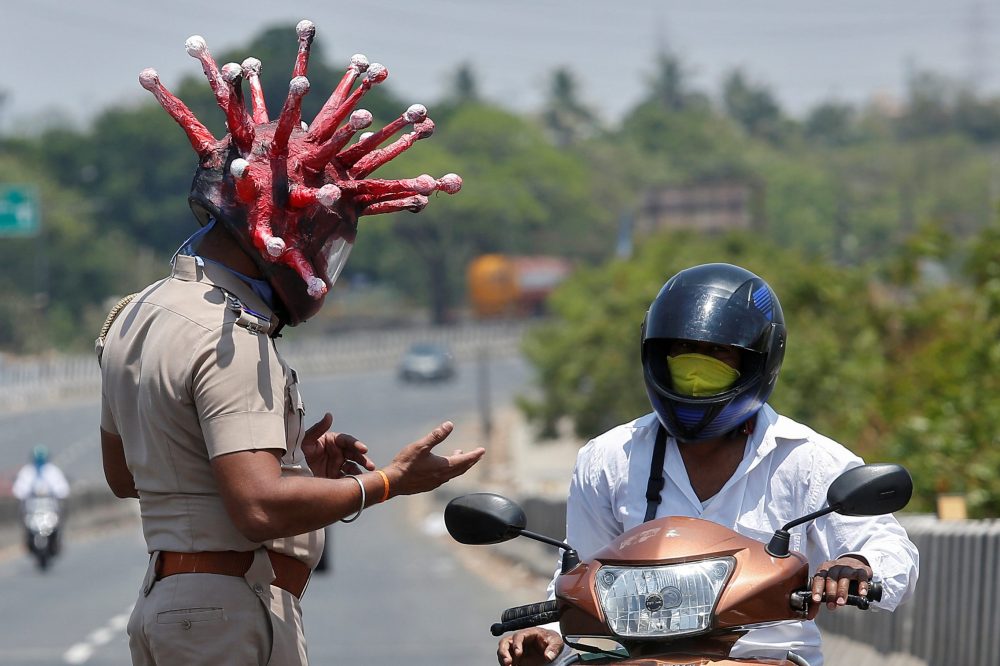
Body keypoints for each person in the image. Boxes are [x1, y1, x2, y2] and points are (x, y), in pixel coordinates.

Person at [96, 21, 481, 666]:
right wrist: (388, 482)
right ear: (279, 228)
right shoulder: (231, 336)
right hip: (223, 611)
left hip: (167, 602)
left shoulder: (135, 316)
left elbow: (124, 473)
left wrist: (284, 464)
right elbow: (256, 506)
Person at [497, 263, 919, 666]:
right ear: (657, 356)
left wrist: (857, 565)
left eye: (717, 353)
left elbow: (891, 551)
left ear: (757, 360)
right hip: (633, 658)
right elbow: (578, 575)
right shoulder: (608, 458)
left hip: (767, 658)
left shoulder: (808, 458)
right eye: (682, 351)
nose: (696, 369)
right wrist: (551, 630)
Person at [12, 446, 70, 557]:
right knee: (21, 515)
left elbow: (62, 489)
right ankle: (25, 539)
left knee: (61, 515)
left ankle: (58, 539)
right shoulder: (27, 472)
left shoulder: (52, 471)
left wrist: (57, 493)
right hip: (32, 507)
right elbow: (19, 490)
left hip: (49, 506)